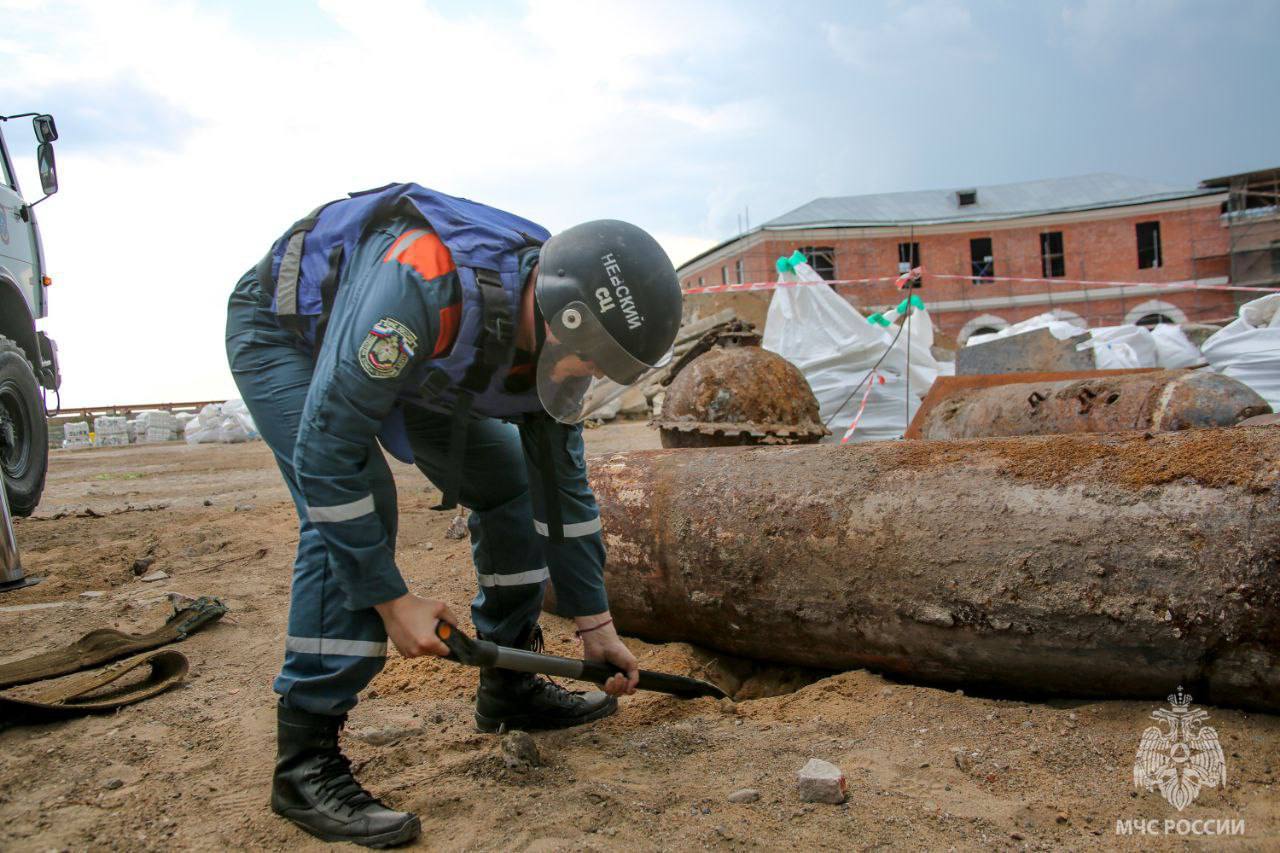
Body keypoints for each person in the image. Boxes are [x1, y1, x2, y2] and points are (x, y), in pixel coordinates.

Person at [224, 184, 682, 847]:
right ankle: (305, 762)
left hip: (417, 364)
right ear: (565, 318)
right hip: (289, 333)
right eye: (593, 359)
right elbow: (327, 451)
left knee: (513, 481)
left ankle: (511, 683)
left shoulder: (548, 342)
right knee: (354, 508)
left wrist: (595, 621)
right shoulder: (423, 281)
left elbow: (563, 490)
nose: (588, 375)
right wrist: (390, 598)